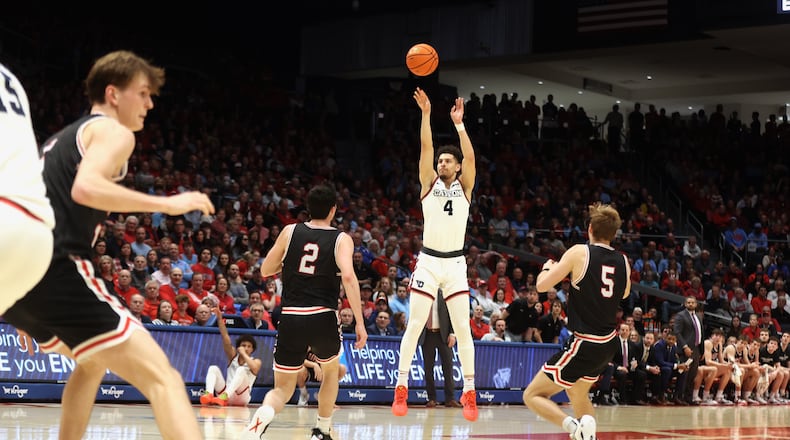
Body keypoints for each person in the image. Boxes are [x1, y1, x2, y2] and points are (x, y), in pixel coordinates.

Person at [3, 51, 213, 440]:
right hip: (57, 263)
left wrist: (19, 284)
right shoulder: (114, 132)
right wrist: (169, 204)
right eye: (144, 93)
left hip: (22, 274)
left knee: (91, 363)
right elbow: (86, 188)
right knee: (163, 378)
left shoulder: (61, 139)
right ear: (113, 94)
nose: (150, 104)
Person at [243, 184, 367, 440]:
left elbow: (266, 269)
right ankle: (322, 429)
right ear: (333, 210)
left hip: (290, 316)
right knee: (331, 371)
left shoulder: (289, 232)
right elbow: (348, 276)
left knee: (282, 390)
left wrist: (288, 260)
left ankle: (259, 420)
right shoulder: (341, 239)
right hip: (323, 314)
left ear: (307, 209)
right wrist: (360, 322)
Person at [392, 88, 478, 422]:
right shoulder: (428, 182)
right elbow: (426, 147)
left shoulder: (465, 185)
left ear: (456, 167)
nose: (442, 162)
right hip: (428, 261)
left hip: (456, 264)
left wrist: (459, 126)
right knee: (414, 325)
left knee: (464, 331)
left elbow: (471, 159)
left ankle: (469, 393)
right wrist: (426, 114)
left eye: (447, 160)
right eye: (440, 160)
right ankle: (401, 388)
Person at [523, 202, 630, 440]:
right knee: (577, 393)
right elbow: (623, 293)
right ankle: (588, 435)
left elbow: (542, 286)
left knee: (532, 395)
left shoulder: (580, 252)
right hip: (607, 344)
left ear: (590, 228)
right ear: (613, 234)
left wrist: (547, 268)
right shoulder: (623, 261)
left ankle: (574, 429)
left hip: (585, 341)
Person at [200, 307, 261, 407]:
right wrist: (219, 319)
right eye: (243, 345)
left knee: (241, 370)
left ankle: (226, 395)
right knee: (213, 368)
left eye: (249, 346)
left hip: (242, 396)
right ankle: (208, 394)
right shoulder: (233, 356)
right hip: (224, 394)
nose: (246, 348)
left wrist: (244, 354)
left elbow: (254, 368)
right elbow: (225, 337)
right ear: (238, 347)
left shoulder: (256, 361)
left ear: (252, 350)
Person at [421, 292, 461, 408]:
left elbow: (453, 314)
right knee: (428, 368)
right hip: (427, 335)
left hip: (443, 335)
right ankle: (431, 398)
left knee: (448, 367)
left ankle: (450, 398)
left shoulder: (444, 294)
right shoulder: (423, 295)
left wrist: (453, 333)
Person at [673, 296, 704, 404]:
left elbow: (701, 334)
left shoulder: (698, 316)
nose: (690, 304)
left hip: (696, 349)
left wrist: (702, 350)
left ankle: (688, 398)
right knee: (683, 374)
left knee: (692, 375)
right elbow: (677, 332)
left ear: (696, 304)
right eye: (688, 302)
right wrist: (684, 346)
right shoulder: (680, 316)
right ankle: (678, 397)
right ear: (685, 304)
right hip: (686, 349)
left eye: (692, 302)